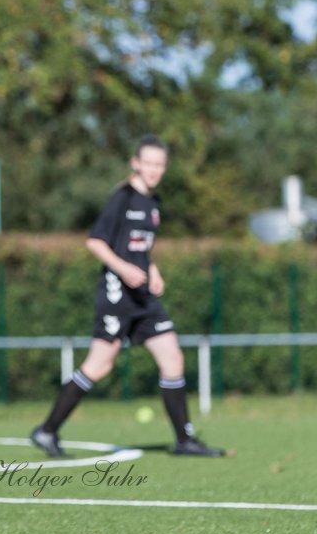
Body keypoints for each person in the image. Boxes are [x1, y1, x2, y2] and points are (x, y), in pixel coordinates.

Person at [29, 134, 224, 459]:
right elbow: (96, 242)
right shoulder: (122, 197)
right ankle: (46, 431)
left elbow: (139, 248)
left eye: (159, 164)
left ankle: (184, 440)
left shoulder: (154, 203)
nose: (153, 170)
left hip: (143, 296)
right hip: (117, 293)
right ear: (136, 163)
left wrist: (153, 269)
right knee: (100, 364)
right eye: (148, 163)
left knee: (173, 357)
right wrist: (124, 269)